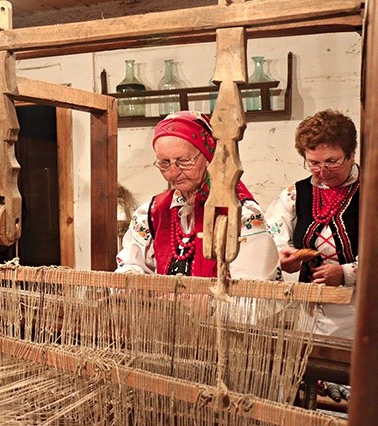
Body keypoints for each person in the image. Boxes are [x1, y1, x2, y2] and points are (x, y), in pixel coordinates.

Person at [116, 111, 280, 281]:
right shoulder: (152, 213)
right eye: (164, 163)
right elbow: (131, 265)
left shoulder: (241, 214)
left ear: (208, 156)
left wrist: (205, 302)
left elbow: (255, 291)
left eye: (184, 161)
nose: (173, 172)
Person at [265, 109, 359, 339]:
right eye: (313, 163)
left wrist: (346, 273)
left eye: (332, 162)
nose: (323, 172)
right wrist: (282, 254)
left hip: (362, 311)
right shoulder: (296, 194)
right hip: (309, 313)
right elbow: (271, 232)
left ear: (352, 154)